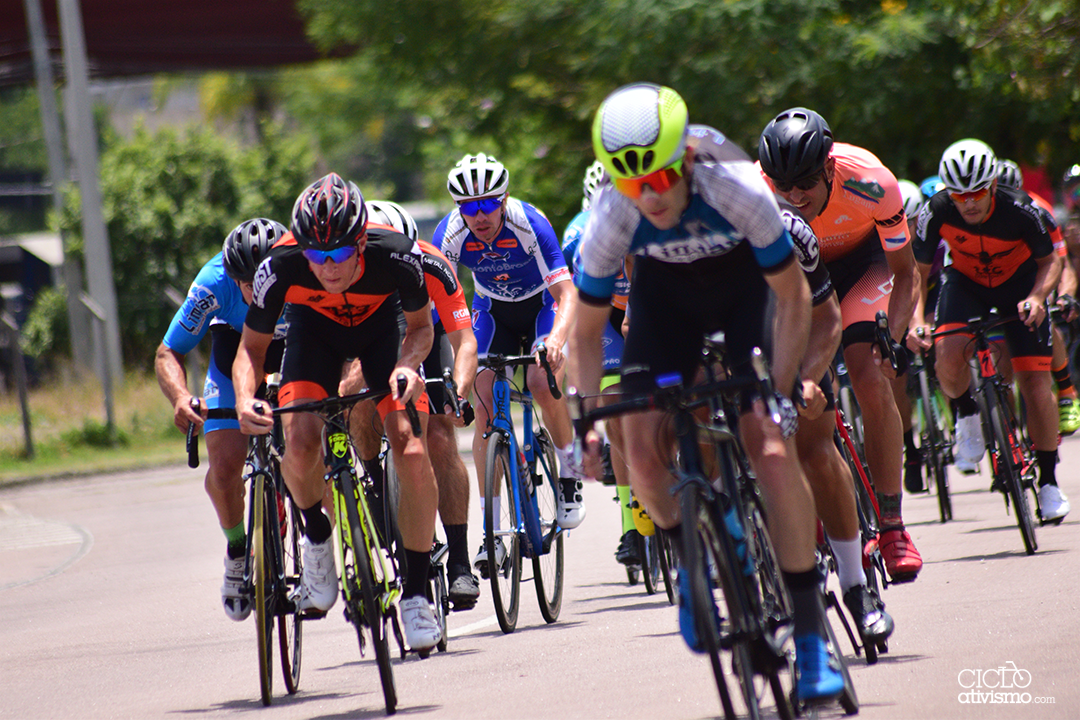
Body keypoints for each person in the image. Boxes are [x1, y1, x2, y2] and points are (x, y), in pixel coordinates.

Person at [571, 83, 843, 702]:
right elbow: (588, 331)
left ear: (687, 159)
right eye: (632, 184)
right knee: (635, 445)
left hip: (744, 291)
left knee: (766, 444)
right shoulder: (614, 210)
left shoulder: (736, 184)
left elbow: (792, 295)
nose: (650, 196)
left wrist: (776, 392)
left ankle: (810, 637)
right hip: (666, 303)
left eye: (659, 179)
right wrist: (587, 417)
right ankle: (691, 556)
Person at [233, 173, 443, 652]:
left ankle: (414, 593)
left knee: (411, 448)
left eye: (340, 255)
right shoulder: (282, 264)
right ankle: (318, 537)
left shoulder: (396, 255)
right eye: (317, 256)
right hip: (315, 340)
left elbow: (420, 328)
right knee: (301, 441)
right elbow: (250, 350)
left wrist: (408, 367)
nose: (328, 268)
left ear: (362, 241)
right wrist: (245, 399)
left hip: (380, 338)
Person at [758, 108, 923, 583]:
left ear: (830, 167)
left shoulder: (873, 182)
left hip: (862, 266)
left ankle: (892, 525)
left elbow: (905, 271)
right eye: (782, 185)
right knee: (795, 389)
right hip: (797, 276)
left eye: (806, 181)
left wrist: (892, 338)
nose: (794, 195)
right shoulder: (753, 193)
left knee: (869, 372)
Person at [434, 153, 585, 577]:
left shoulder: (529, 223)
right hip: (492, 311)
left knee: (540, 380)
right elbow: (443, 303)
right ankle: (490, 534)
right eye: (469, 207)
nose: (479, 216)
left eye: (487, 204)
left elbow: (566, 293)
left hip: (540, 306)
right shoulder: (451, 233)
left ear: (503, 200)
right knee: (483, 404)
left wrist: (556, 341)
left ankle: (570, 474)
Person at [909, 139, 1069, 522]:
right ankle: (966, 414)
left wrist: (1036, 297)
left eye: (978, 191)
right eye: (960, 194)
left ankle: (1048, 483)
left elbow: (1050, 263)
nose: (969, 202)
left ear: (993, 185)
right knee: (946, 353)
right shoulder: (935, 212)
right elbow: (915, 276)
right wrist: (916, 322)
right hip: (966, 282)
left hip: (1020, 282)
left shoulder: (1022, 209)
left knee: (1033, 382)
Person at [344, 199, 483, 610]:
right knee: (358, 404)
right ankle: (373, 481)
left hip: (428, 334)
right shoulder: (350, 266)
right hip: (375, 334)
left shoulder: (433, 264)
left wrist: (458, 392)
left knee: (439, 434)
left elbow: (464, 341)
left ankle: (459, 562)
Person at [155, 218, 288, 621]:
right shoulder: (213, 281)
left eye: (264, 279)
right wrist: (180, 397)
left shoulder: (304, 269)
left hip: (293, 349)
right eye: (247, 283)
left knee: (305, 442)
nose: (256, 291)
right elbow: (168, 353)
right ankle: (236, 549)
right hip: (234, 354)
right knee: (226, 464)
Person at [996, 160, 1080, 435]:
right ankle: (1007, 438)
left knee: (1045, 318)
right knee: (999, 366)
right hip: (996, 280)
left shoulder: (1039, 210)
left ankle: (1067, 391)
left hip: (1034, 274)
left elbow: (1063, 263)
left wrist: (1064, 296)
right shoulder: (973, 214)